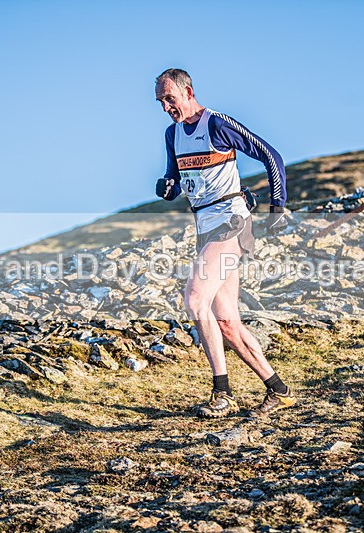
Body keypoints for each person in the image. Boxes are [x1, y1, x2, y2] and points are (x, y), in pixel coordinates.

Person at [153, 68, 295, 419]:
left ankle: (222, 393)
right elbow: (175, 179)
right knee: (226, 319)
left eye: (170, 98)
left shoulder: (216, 124)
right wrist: (168, 187)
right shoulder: (173, 135)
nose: (166, 107)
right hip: (205, 226)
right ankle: (279, 390)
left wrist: (278, 205)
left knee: (195, 298)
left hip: (232, 223)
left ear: (188, 91)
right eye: (160, 101)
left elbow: (270, 156)